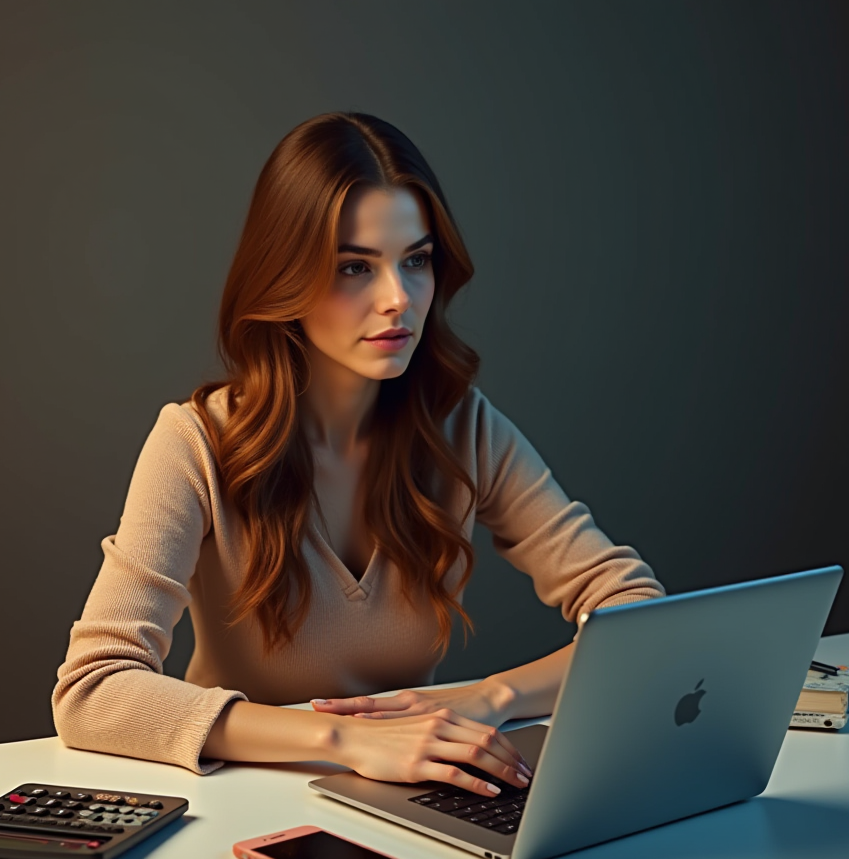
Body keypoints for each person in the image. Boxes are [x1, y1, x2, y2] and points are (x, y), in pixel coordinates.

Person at [53, 111, 665, 799]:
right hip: (235, 804)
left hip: (411, 799)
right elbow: (95, 689)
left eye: (417, 260)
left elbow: (637, 616)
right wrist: (345, 741)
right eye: (354, 267)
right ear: (285, 278)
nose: (399, 299)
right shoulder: (197, 441)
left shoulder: (461, 428)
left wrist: (490, 698)